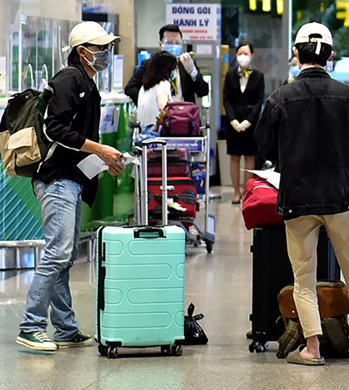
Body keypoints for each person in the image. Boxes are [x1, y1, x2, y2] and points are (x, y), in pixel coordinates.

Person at [256, 23, 349, 366]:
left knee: (303, 276)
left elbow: (265, 143)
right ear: (331, 55)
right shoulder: (348, 96)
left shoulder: (280, 97)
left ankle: (312, 348)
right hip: (342, 195)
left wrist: (290, 160)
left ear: (296, 54)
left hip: (298, 197)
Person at [17, 22, 127, 352]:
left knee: (64, 257)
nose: (106, 53)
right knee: (57, 252)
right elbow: (55, 130)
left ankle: (64, 327)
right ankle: (31, 325)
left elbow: (76, 141)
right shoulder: (69, 80)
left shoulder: (86, 83)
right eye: (101, 48)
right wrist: (101, 150)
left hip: (71, 180)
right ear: (82, 51)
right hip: (56, 181)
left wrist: (104, 161)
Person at [124, 23, 210, 105]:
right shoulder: (150, 65)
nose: (174, 46)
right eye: (169, 43)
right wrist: (147, 103)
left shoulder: (187, 63)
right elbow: (130, 89)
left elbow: (203, 91)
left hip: (184, 116)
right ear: (161, 45)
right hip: (159, 116)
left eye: (177, 43)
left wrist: (193, 72)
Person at [223, 42, 265, 204]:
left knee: (249, 156)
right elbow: (226, 99)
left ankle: (248, 191)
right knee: (234, 156)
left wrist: (249, 121)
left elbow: (259, 101)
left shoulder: (258, 76)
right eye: (240, 53)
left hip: (251, 121)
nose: (242, 56)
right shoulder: (230, 74)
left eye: (246, 53)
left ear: (252, 56)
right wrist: (232, 119)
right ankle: (236, 192)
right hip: (233, 121)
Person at [135, 51, 177, 133]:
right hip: (155, 130)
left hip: (142, 129)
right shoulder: (164, 84)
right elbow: (162, 107)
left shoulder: (144, 87)